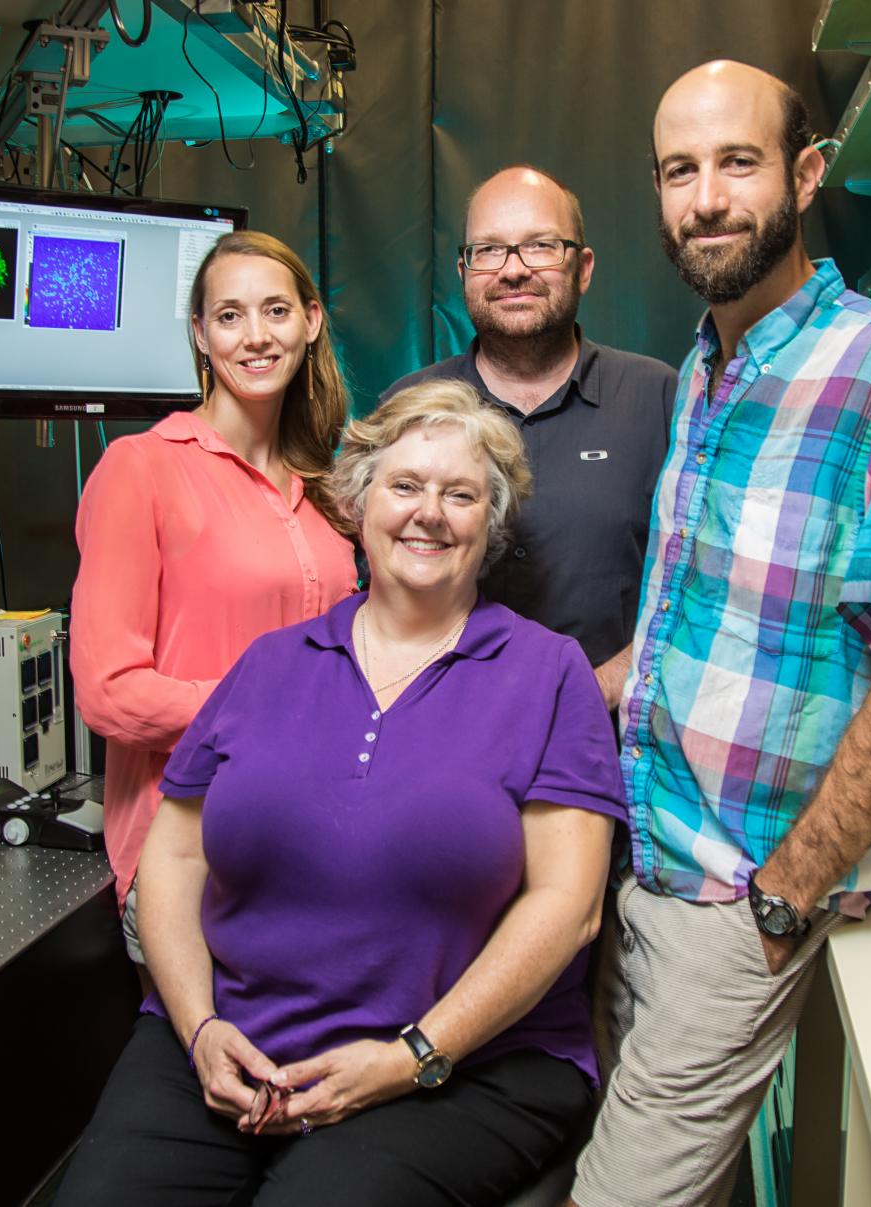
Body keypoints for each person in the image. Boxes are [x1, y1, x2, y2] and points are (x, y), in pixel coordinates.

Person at [569, 61, 871, 1207]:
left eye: (737, 163)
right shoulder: (708, 368)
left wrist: (786, 895)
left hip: (735, 902)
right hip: (637, 862)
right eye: (678, 171)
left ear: (804, 176)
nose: (706, 198)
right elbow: (689, 624)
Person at [54, 380, 625, 1206]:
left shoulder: (547, 673)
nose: (428, 512)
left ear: (489, 524)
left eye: (459, 494)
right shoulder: (269, 663)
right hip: (235, 1040)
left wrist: (414, 1054)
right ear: (359, 503)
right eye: (404, 486)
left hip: (468, 1064)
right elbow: (173, 853)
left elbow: (567, 906)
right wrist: (199, 1026)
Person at [69, 231, 358, 968]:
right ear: (200, 334)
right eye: (229, 316)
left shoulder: (328, 482)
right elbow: (109, 693)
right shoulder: (141, 469)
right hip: (192, 849)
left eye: (275, 311)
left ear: (312, 320)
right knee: (217, 1072)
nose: (255, 336)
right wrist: (268, 712)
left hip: (312, 840)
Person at [382, 165, 677, 708]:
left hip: (608, 746)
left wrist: (597, 691)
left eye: (541, 246)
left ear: (583, 268)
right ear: (464, 271)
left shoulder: (658, 397)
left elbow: (700, 585)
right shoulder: (407, 407)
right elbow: (375, 586)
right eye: (489, 251)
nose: (513, 270)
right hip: (438, 732)